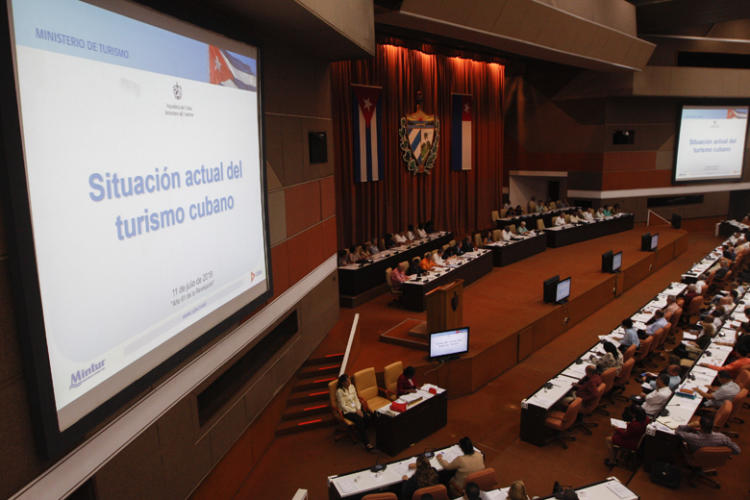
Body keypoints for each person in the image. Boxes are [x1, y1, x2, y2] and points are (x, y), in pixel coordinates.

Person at [335, 374, 373, 450]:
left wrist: (358, 409)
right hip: (347, 411)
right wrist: (355, 411)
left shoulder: (352, 387)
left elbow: (356, 399)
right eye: (347, 381)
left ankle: (361, 431)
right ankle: (367, 443)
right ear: (343, 383)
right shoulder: (339, 392)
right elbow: (343, 406)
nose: (349, 381)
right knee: (359, 420)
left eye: (349, 380)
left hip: (356, 408)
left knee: (367, 416)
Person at [676, 414, 741, 454]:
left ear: (700, 427)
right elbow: (737, 450)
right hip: (714, 458)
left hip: (695, 455)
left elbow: (677, 431)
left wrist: (690, 425)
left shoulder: (691, 437)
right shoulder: (722, 437)